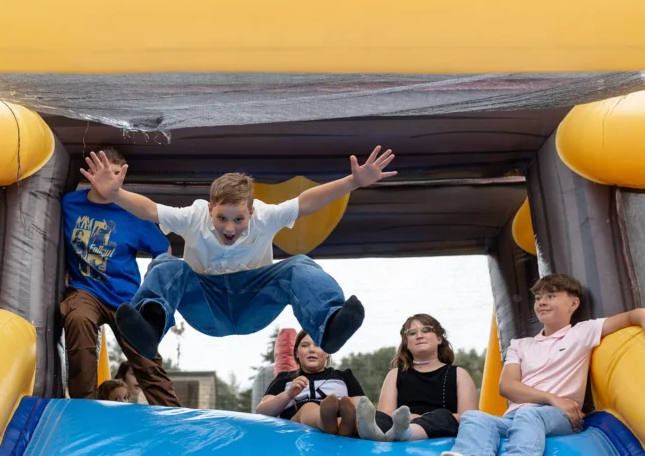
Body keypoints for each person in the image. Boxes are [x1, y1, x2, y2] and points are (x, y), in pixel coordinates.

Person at [77, 148, 397, 360]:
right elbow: (149, 210)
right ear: (211, 209)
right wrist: (116, 194)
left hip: (253, 303)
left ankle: (328, 327)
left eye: (239, 219)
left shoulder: (266, 216)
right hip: (208, 306)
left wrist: (353, 182)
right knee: (165, 264)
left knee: (298, 264)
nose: (230, 228)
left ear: (252, 211)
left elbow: (308, 201)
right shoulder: (194, 216)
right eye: (222, 219)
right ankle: (150, 327)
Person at [440, 273, 645, 456]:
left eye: (551, 296)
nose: (542, 303)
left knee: (529, 414)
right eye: (538, 298)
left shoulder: (583, 332)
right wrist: (552, 398)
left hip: (561, 417)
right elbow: (507, 386)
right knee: (474, 417)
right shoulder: (521, 345)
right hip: (520, 416)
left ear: (573, 304)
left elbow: (635, 314)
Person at [60, 147, 180, 407]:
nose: (110, 179)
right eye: (104, 172)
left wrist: (154, 291)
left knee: (146, 359)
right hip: (86, 289)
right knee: (78, 318)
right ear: (91, 173)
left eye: (116, 174)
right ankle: (83, 408)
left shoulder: (133, 213)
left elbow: (165, 250)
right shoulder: (69, 203)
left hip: (126, 296)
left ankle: (173, 415)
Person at [355, 314, 478, 442]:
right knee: (380, 417)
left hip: (439, 428)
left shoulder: (459, 374)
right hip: (397, 424)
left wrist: (418, 419)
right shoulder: (395, 374)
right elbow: (387, 413)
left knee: (442, 415)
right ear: (407, 344)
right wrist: (405, 419)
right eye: (412, 333)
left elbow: (469, 418)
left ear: (439, 339)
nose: (419, 336)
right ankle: (370, 430)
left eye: (426, 330)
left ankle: (407, 433)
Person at [256, 330, 366, 436]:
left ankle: (343, 426)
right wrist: (288, 394)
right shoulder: (284, 378)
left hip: (339, 422)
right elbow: (262, 412)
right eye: (305, 345)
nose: (311, 350)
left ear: (327, 352)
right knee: (308, 408)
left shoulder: (344, 376)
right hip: (295, 428)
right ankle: (328, 421)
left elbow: (361, 408)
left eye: (317, 345)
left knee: (350, 408)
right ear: (297, 353)